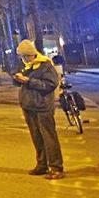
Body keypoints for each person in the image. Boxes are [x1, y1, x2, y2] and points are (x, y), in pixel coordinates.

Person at [14, 40, 64, 180]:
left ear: (32, 54)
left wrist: (28, 81)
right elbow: (16, 81)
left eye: (26, 57)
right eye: (21, 57)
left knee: (49, 137)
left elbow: (50, 84)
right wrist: (17, 78)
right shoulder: (24, 65)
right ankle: (42, 164)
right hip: (28, 105)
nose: (23, 59)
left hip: (42, 106)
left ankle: (56, 167)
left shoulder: (45, 65)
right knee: (36, 136)